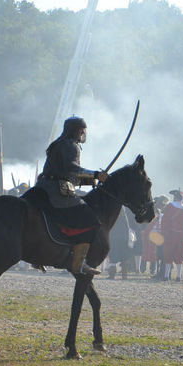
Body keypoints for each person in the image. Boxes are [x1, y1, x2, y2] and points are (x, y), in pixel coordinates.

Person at [36, 116, 107, 275]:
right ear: (75, 130)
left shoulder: (57, 144)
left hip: (42, 187)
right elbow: (72, 168)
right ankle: (78, 264)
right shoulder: (71, 146)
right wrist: (96, 174)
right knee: (91, 220)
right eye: (82, 129)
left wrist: (91, 180)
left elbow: (66, 173)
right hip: (56, 192)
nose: (83, 132)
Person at [160, 189, 183, 281]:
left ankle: (166, 276)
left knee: (168, 254)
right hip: (181, 236)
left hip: (170, 234)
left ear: (175, 197)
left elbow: (164, 221)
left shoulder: (169, 207)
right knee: (179, 254)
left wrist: (163, 233)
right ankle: (178, 276)